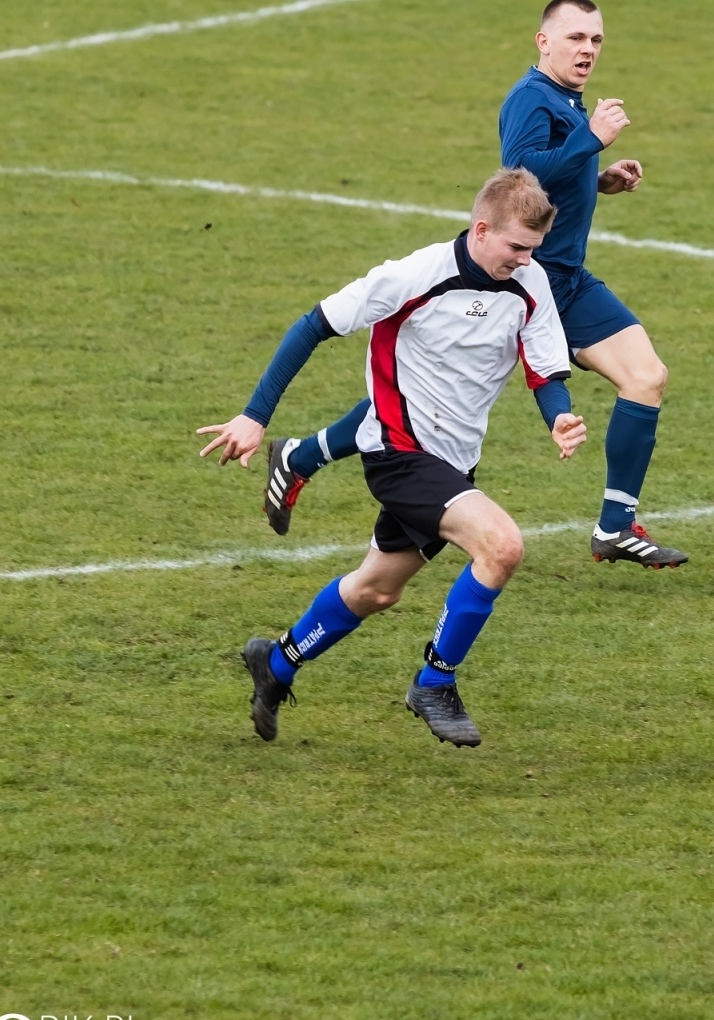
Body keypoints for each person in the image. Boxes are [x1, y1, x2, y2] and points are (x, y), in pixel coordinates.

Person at [256, 0, 687, 570]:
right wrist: (592, 143)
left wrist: (596, 178)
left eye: (597, 40)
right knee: (422, 402)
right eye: (576, 37)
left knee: (647, 376)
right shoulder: (531, 98)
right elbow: (520, 175)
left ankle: (615, 525)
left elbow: (548, 180)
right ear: (543, 42)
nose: (588, 49)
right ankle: (301, 455)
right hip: (524, 280)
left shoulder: (565, 100)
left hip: (568, 279)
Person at [197, 168, 587, 746]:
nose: (525, 260)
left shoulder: (532, 283)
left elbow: (545, 366)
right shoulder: (413, 276)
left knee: (376, 591)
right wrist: (255, 416)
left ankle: (275, 664)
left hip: (454, 463)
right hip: (398, 454)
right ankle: (434, 682)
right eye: (515, 247)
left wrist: (558, 413)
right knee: (501, 546)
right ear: (481, 229)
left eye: (533, 250)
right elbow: (313, 325)